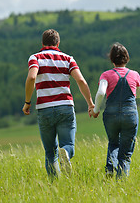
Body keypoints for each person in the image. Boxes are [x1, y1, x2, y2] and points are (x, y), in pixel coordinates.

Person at [22, 29, 95, 178]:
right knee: (68, 145)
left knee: (50, 152)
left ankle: (55, 185)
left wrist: (27, 102)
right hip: (65, 107)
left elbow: (31, 78)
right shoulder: (68, 59)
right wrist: (90, 103)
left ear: (42, 43)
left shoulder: (35, 58)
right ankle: (66, 154)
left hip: (44, 109)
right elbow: (81, 80)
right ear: (58, 43)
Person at [90, 43, 140, 178]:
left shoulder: (106, 75)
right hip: (130, 114)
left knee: (113, 143)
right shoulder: (135, 74)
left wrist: (95, 110)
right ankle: (121, 181)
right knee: (125, 153)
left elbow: (101, 93)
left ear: (112, 59)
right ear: (127, 58)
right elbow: (139, 95)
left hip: (111, 115)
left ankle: (110, 168)